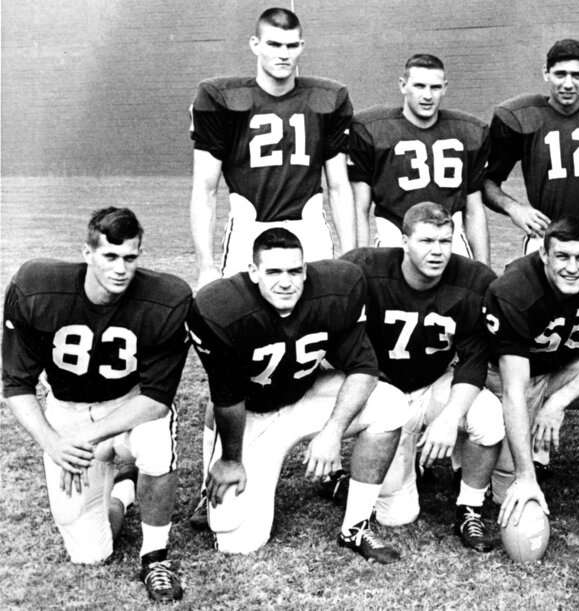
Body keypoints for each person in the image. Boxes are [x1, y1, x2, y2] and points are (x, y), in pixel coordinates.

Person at [188, 228, 414, 562]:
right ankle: (211, 483)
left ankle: (355, 527)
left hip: (307, 394)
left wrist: (333, 432)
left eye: (294, 271)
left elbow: (363, 368)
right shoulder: (219, 308)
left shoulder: (339, 287)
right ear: (253, 273)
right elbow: (228, 398)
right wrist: (232, 460)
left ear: (305, 270)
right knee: (239, 541)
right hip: (254, 411)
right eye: (273, 272)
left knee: (391, 404)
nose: (286, 282)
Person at [2, 208, 191, 603]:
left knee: (156, 444)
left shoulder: (166, 298)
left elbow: (156, 399)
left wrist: (82, 439)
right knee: (90, 554)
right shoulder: (37, 289)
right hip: (67, 409)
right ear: (86, 252)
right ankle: (124, 489)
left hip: (130, 406)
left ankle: (155, 555)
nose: (120, 268)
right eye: (109, 256)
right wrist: (54, 443)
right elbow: (16, 384)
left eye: (130, 257)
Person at [341, 203, 502, 552]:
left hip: (433, 384)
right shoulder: (364, 269)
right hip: (384, 391)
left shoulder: (473, 280)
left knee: (488, 416)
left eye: (446, 241)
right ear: (404, 240)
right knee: (396, 516)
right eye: (427, 240)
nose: (438, 251)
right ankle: (349, 481)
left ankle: (469, 508)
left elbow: (474, 360)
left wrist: (449, 418)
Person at [484, 216, 579, 539]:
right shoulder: (514, 291)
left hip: (564, 369)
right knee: (504, 487)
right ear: (544, 255)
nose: (573, 267)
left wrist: (558, 401)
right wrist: (525, 476)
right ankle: (506, 468)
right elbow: (513, 389)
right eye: (562, 257)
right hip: (513, 379)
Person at [189, 7, 355, 287]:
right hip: (248, 229)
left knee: (321, 315)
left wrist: (350, 257)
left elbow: (339, 186)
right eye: (274, 44)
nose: (283, 54)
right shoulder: (220, 98)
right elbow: (205, 189)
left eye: (291, 45)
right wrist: (206, 266)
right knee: (239, 318)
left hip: (309, 229)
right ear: (255, 45)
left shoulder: (328, 99)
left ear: (301, 47)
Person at [483, 39, 579, 253]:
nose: (568, 84)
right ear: (546, 73)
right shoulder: (517, 116)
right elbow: (487, 180)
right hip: (545, 231)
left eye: (577, 75)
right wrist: (514, 208)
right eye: (560, 74)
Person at [347, 55, 491, 264]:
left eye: (435, 87)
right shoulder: (372, 129)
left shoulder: (468, 131)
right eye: (419, 86)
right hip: (394, 235)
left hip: (449, 236)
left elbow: (474, 209)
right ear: (403, 85)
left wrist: (483, 267)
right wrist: (358, 262)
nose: (427, 95)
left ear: (445, 87)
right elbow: (360, 208)